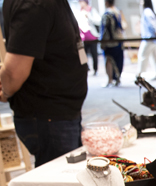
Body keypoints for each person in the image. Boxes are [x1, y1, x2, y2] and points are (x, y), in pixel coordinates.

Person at [0, 0, 88, 167]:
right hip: (48, 117)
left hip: (60, 114)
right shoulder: (34, 4)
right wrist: (6, 92)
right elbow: (13, 72)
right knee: (58, 178)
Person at [100, 0, 126, 87]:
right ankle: (118, 79)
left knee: (109, 60)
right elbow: (122, 26)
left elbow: (104, 30)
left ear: (106, 2)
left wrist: (102, 42)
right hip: (119, 40)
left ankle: (110, 80)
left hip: (110, 42)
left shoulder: (107, 14)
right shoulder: (118, 12)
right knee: (118, 60)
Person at [137, 0, 156, 80]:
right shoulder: (149, 11)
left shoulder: (147, 11)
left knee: (142, 56)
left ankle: (140, 74)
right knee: (154, 56)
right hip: (151, 38)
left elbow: (152, 24)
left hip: (149, 38)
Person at [77, 0, 100, 76]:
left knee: (94, 54)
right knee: (83, 54)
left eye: (81, 1)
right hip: (83, 37)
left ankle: (95, 69)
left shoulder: (91, 10)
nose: (80, 3)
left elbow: (98, 21)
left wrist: (89, 17)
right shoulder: (80, 11)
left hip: (92, 36)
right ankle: (85, 68)